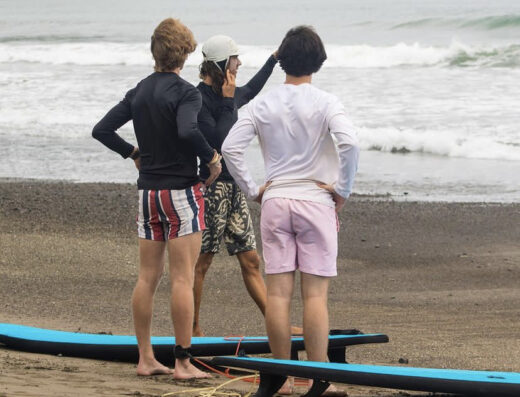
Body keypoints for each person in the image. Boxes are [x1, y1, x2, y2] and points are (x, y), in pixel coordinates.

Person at [221, 26, 359, 395]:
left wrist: (254, 189)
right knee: (314, 296)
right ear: (318, 60)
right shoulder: (326, 101)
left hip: (277, 200)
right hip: (315, 200)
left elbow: (231, 147)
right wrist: (342, 190)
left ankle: (280, 378)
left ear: (281, 59)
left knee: (278, 294)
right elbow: (349, 142)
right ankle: (318, 380)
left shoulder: (261, 104)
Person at [92, 18, 221, 379]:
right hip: (180, 192)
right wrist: (211, 157)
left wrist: (133, 153)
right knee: (182, 278)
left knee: (147, 278)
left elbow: (101, 130)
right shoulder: (187, 92)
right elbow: (187, 129)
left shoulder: (139, 91)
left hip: (148, 194)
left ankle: (146, 358)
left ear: (155, 52)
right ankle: (182, 362)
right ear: (183, 53)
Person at [193, 35, 301, 336]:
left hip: (233, 188)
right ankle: (193, 328)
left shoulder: (229, 95)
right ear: (218, 65)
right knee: (202, 262)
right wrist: (228, 102)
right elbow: (221, 142)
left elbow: (251, 90)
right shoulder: (198, 100)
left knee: (251, 259)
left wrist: (275, 57)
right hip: (211, 190)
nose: (238, 63)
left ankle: (277, 324)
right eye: (234, 59)